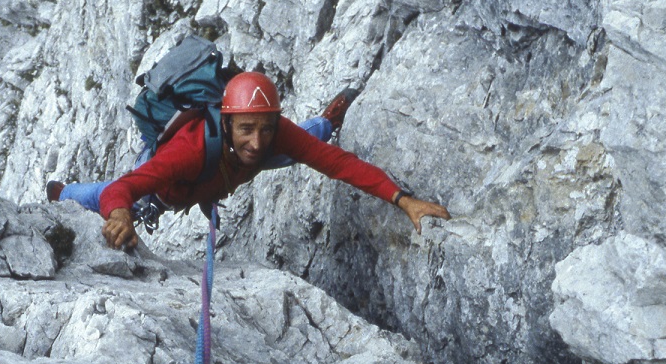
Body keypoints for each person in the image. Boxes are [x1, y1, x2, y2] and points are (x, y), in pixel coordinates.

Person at [47, 72, 451, 250]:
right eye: (246, 130)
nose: (258, 141)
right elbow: (122, 188)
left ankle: (327, 121)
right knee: (101, 193)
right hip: (178, 185)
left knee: (307, 141)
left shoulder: (267, 132)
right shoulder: (188, 150)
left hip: (228, 166)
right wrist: (118, 215)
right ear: (227, 123)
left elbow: (337, 164)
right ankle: (61, 191)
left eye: (266, 128)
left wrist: (403, 200)